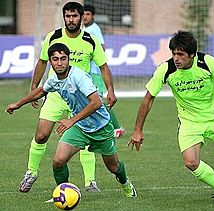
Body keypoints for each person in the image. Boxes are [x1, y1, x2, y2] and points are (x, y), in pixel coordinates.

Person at [127, 30, 214, 204]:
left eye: (180, 54)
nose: (176, 58)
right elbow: (148, 99)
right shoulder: (166, 69)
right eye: (173, 54)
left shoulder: (207, 63)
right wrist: (137, 130)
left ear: (192, 55)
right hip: (189, 122)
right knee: (191, 162)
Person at [6, 43, 137, 198]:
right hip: (80, 128)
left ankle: (126, 184)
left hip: (100, 127)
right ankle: (64, 194)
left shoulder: (79, 76)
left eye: (63, 59)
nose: (60, 63)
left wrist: (71, 120)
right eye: (55, 59)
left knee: (113, 167)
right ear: (50, 61)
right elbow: (41, 91)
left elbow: (96, 102)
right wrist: (18, 104)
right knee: (58, 161)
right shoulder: (54, 79)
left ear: (69, 60)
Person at [19, 2, 117, 193]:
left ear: (81, 18)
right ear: (64, 17)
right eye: (68, 16)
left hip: (81, 100)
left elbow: (103, 66)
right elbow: (42, 62)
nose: (71, 19)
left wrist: (110, 90)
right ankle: (31, 173)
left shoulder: (90, 40)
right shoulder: (53, 37)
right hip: (56, 95)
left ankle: (90, 182)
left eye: (74, 16)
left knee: (88, 140)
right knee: (41, 135)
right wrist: (34, 87)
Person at [82, 4, 125, 138]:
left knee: (97, 101)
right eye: (83, 14)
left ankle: (117, 127)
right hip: (88, 72)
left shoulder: (94, 29)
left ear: (93, 16)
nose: (85, 17)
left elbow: (101, 47)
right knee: (91, 101)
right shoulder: (85, 29)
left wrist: (91, 57)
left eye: (88, 14)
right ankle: (108, 126)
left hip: (95, 71)